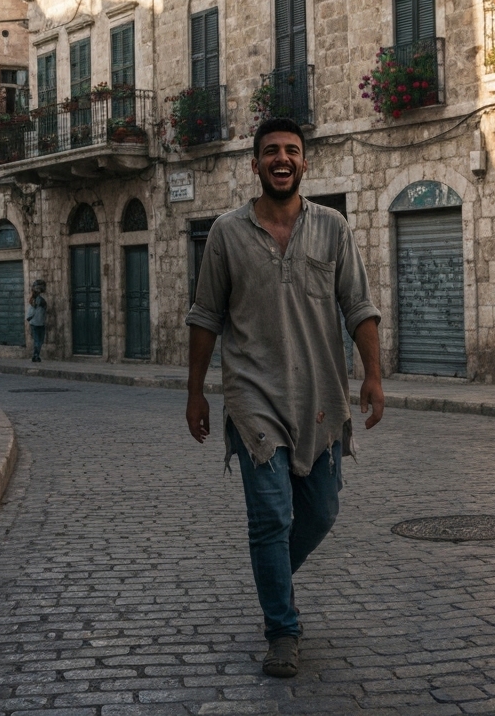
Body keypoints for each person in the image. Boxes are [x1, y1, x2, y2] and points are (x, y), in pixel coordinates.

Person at [185, 117, 384, 679]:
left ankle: (272, 577)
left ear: (304, 163)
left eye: (291, 151)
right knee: (270, 518)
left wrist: (373, 375)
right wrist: (196, 392)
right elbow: (205, 317)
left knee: (320, 513)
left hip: (321, 395)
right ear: (254, 164)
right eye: (270, 151)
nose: (281, 159)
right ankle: (282, 629)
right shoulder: (226, 233)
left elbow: (359, 307)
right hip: (253, 399)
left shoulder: (333, 228)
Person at [26, 287, 48, 362]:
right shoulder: (40, 300)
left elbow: (31, 312)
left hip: (35, 323)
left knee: (37, 340)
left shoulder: (33, 300)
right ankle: (36, 355)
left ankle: (36, 355)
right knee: (39, 341)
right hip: (39, 323)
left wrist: (29, 318)